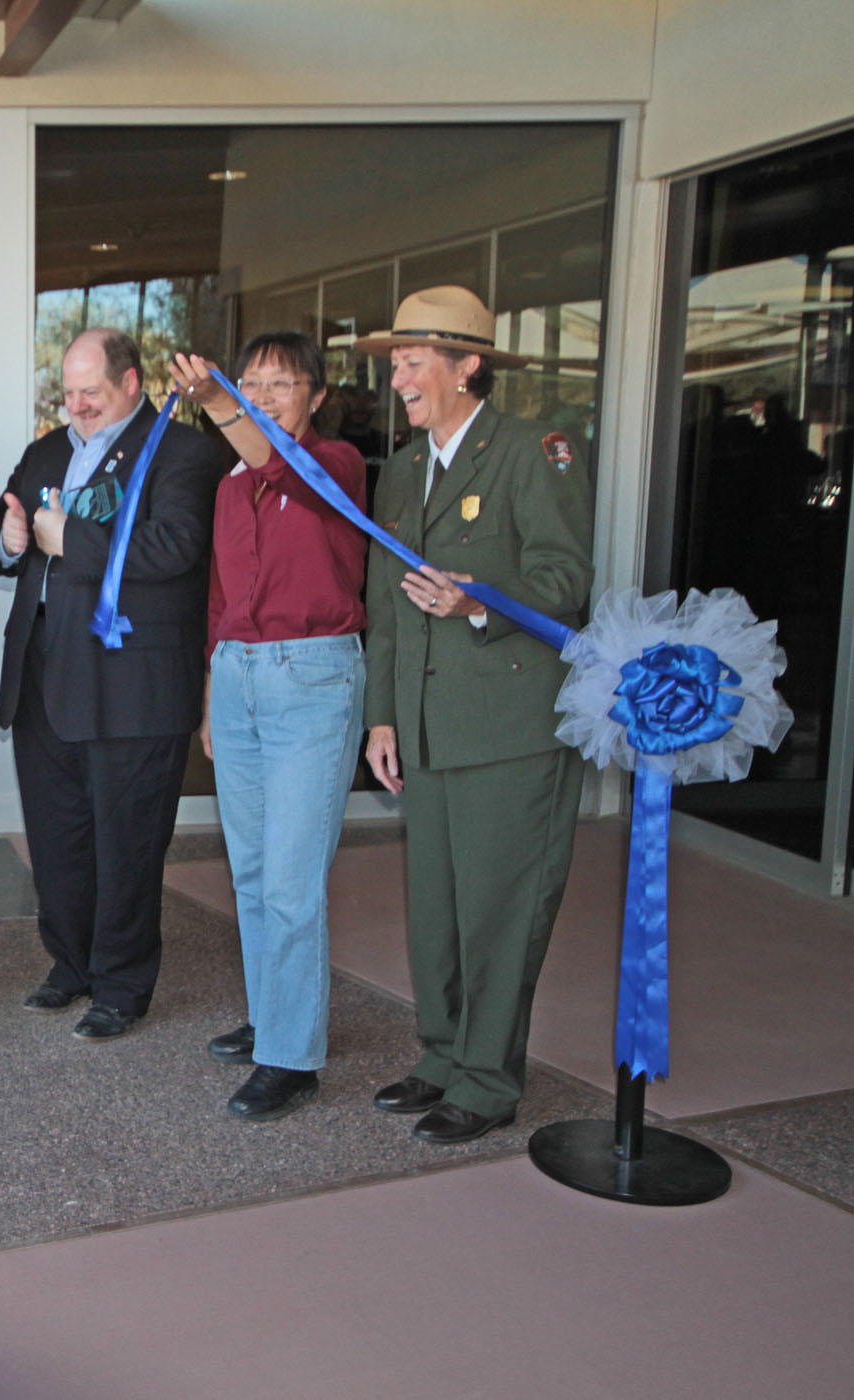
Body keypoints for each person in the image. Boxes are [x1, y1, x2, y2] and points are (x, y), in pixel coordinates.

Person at [355, 285, 595, 1145]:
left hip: (509, 729)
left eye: (413, 362)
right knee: (438, 911)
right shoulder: (408, 468)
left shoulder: (536, 452)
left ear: (468, 366)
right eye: (395, 363)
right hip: (427, 725)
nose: (398, 379)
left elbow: (566, 587)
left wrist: (479, 605)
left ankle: (488, 1081)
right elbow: (386, 602)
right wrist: (382, 718)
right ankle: (443, 1055)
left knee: (499, 906)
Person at [0, 328, 225, 1041]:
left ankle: (123, 985)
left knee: (126, 844)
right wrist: (7, 538)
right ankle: (71, 965)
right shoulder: (47, 449)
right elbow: (11, 527)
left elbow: (177, 546)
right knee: (58, 838)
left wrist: (76, 541)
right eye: (67, 392)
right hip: (44, 680)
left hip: (131, 688)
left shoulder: (185, 452)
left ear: (132, 382)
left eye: (90, 391)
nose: (77, 406)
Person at [171, 335, 368, 1122]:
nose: (264, 392)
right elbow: (220, 599)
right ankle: (273, 1015)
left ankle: (292, 1056)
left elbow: (290, 468)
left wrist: (220, 404)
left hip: (312, 678)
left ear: (316, 395)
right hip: (242, 677)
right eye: (251, 383)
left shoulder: (340, 463)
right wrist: (215, 693)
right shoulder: (229, 488)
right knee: (251, 869)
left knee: (291, 880)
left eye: (280, 383)